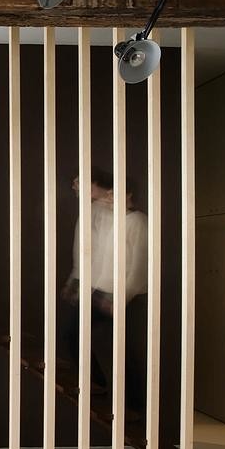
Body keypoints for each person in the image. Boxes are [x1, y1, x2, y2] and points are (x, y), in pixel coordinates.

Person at [61, 167, 147, 390]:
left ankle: (132, 401)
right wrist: (77, 281)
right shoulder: (106, 216)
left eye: (113, 193)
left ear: (127, 194)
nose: (109, 197)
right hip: (99, 292)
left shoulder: (138, 222)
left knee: (123, 350)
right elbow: (91, 253)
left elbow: (139, 269)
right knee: (74, 336)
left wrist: (121, 298)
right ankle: (95, 386)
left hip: (124, 296)